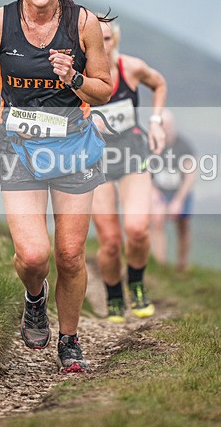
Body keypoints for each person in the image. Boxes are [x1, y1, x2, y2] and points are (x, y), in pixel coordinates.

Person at [0, 0, 112, 373]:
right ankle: (34, 298)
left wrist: (75, 77)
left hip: (74, 147)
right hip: (19, 146)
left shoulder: (82, 24)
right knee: (33, 256)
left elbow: (101, 91)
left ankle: (69, 341)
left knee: (69, 254)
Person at [90, 18, 167, 322]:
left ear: (115, 40)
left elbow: (159, 84)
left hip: (133, 154)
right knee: (110, 241)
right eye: (96, 39)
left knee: (137, 229)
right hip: (96, 161)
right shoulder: (78, 77)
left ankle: (136, 285)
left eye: (107, 38)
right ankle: (113, 297)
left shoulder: (131, 68)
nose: (102, 45)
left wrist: (157, 122)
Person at [150, 109, 197, 273]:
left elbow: (191, 176)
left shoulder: (183, 146)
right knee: (157, 221)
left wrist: (178, 200)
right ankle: (160, 265)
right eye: (162, 125)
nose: (166, 129)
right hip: (160, 191)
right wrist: (154, 192)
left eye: (168, 125)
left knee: (182, 226)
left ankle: (182, 265)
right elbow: (145, 171)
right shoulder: (152, 144)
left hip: (180, 191)